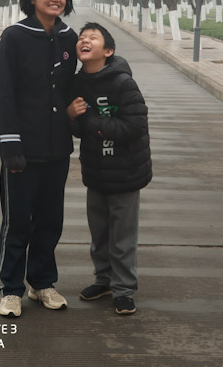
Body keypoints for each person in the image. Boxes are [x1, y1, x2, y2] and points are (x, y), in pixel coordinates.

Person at [0, 0, 78, 318]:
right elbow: (4, 93)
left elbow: (77, 84)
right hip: (21, 148)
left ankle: (41, 282)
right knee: (18, 222)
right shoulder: (14, 36)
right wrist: (10, 144)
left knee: (50, 220)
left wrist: (77, 113)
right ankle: (10, 289)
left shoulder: (69, 38)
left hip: (57, 148)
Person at [67, 22, 152, 315]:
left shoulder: (122, 83)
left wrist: (90, 121)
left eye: (93, 37)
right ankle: (103, 280)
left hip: (126, 173)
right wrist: (71, 117)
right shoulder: (77, 84)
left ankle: (124, 289)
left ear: (109, 50)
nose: (85, 40)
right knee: (99, 233)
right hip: (96, 171)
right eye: (82, 37)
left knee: (122, 237)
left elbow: (135, 125)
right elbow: (78, 129)